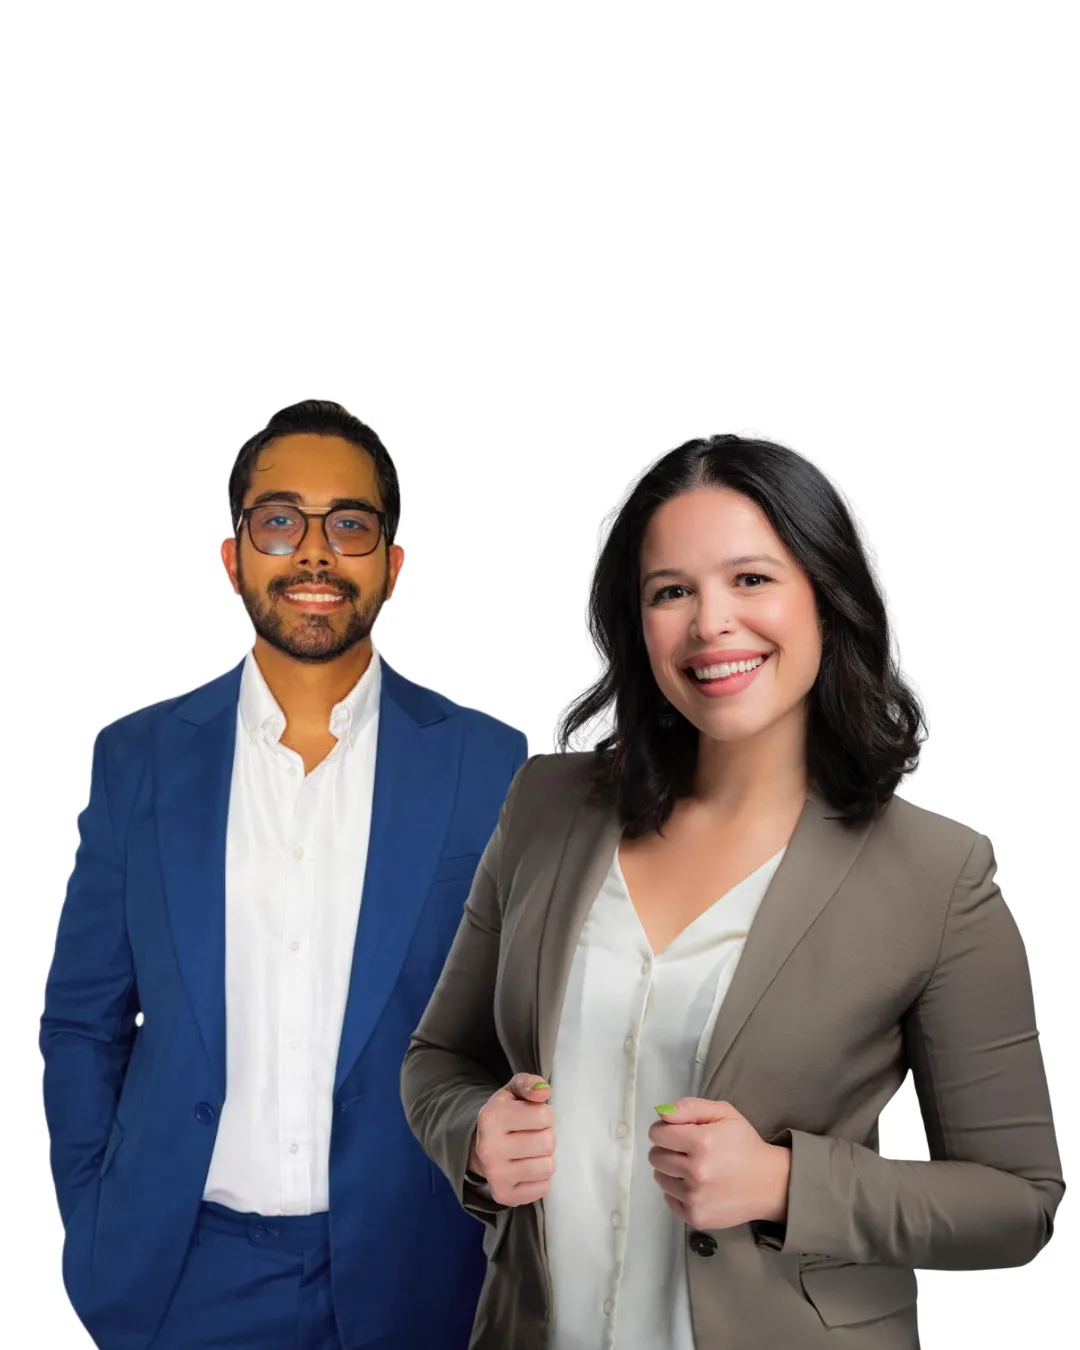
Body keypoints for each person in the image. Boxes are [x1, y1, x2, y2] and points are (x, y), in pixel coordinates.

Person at [401, 434, 1065, 1350]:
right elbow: (437, 1056)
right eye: (671, 591)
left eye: (751, 579)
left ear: (825, 598)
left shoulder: (939, 877)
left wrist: (789, 1185)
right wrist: (472, 1133)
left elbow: (1017, 1202)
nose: (711, 622)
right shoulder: (546, 808)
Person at [41, 400, 527, 1350]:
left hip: (420, 1268)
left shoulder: (487, 764)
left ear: (390, 564)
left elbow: (518, 1030)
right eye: (278, 521)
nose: (314, 553)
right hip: (185, 1272)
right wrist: (98, 1224)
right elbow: (82, 1020)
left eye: (350, 524)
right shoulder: (140, 759)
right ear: (235, 558)